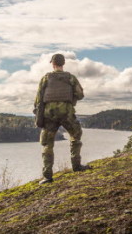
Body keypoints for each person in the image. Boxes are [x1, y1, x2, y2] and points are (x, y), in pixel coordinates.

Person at [34, 53, 89, 184]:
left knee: (47, 143)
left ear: (53, 64)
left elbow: (38, 99)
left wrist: (39, 114)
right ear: (63, 63)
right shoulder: (70, 78)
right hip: (67, 113)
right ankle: (76, 166)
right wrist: (70, 100)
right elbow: (80, 94)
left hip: (49, 115)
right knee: (76, 135)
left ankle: (47, 176)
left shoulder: (45, 78)